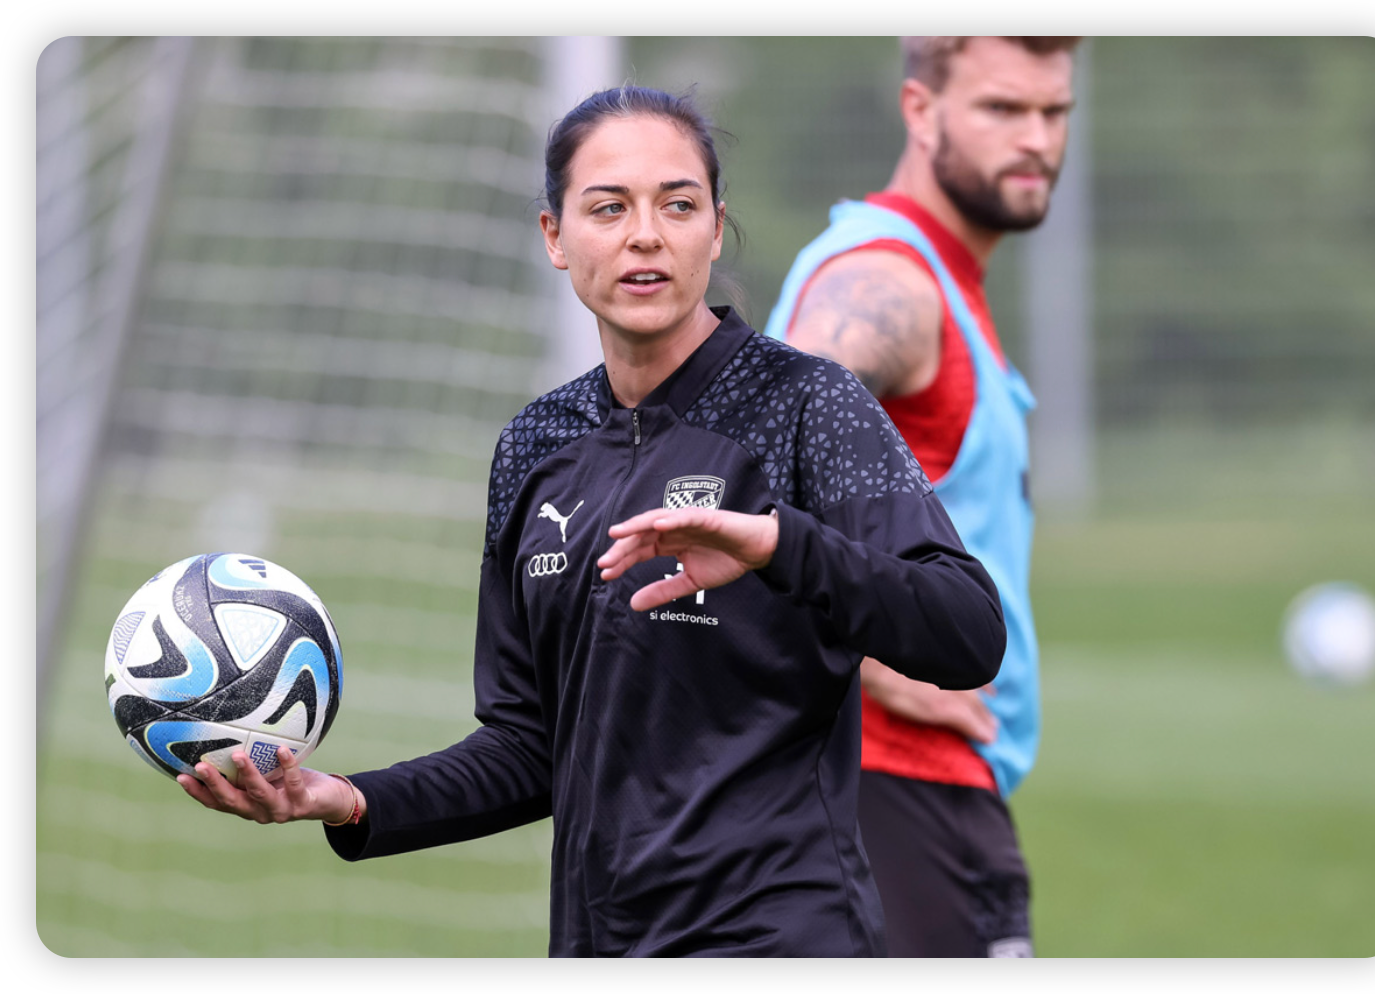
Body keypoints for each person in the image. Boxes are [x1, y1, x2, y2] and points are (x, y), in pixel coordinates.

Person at [177, 84, 1006, 958]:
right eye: (607, 208)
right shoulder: (536, 444)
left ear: (715, 230)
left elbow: (965, 630)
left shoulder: (806, 404)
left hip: (781, 931)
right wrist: (347, 799)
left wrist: (778, 544)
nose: (644, 234)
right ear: (555, 238)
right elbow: (532, 744)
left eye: (677, 205)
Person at [765, 36, 1081, 957]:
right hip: (892, 788)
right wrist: (874, 665)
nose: (1035, 139)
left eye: (1052, 112)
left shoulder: (942, 279)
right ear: (919, 109)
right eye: (1001, 109)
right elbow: (740, 465)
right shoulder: (888, 285)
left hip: (923, 790)